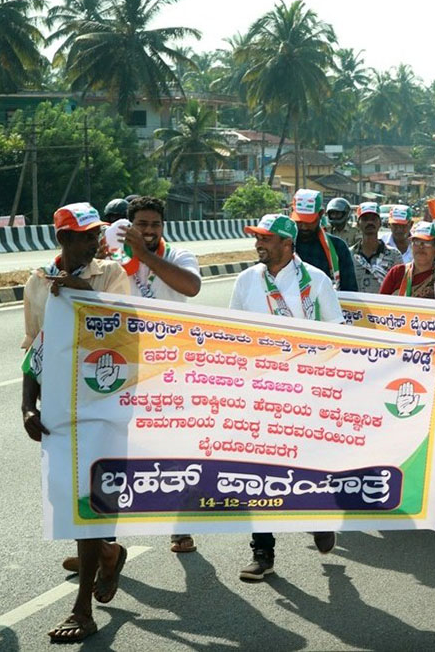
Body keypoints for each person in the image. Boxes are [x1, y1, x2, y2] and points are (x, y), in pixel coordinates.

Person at [20, 204, 130, 642]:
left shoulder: (111, 275)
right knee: (65, 497)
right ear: (63, 239)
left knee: (92, 499)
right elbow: (35, 348)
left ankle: (82, 609)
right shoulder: (38, 282)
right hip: (60, 408)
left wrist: (85, 295)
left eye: (95, 235)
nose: (92, 242)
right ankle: (107, 553)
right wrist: (28, 406)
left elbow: (126, 330)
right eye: (82, 236)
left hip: (105, 405)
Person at [230, 213, 343, 580]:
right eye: (257, 238)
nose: (258, 244)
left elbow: (337, 337)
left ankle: (319, 514)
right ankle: (262, 552)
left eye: (265, 238)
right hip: (260, 392)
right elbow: (232, 332)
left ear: (286, 243)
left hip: (306, 392)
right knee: (259, 473)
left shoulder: (317, 280)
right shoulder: (247, 280)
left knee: (307, 464)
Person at [119, 195, 203, 553]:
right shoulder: (114, 258)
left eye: (155, 224)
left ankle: (180, 526)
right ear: (130, 226)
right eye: (142, 224)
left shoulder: (179, 255)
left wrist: (144, 255)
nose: (149, 230)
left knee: (174, 448)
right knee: (119, 450)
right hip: (127, 365)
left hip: (171, 367)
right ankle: (103, 542)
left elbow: (191, 287)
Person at [290, 189, 358, 292]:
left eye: (309, 221)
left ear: (321, 214)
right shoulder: (282, 245)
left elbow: (350, 292)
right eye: (299, 221)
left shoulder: (338, 248)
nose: (304, 227)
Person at [379, 221, 435, 300]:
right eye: (417, 242)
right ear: (411, 246)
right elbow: (381, 303)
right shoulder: (397, 273)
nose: (421, 247)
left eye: (427, 243)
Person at [351, 202, 404, 293]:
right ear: (358, 224)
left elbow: (400, 288)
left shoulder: (394, 255)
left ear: (380, 223)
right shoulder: (349, 254)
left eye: (373, 219)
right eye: (365, 219)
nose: (370, 222)